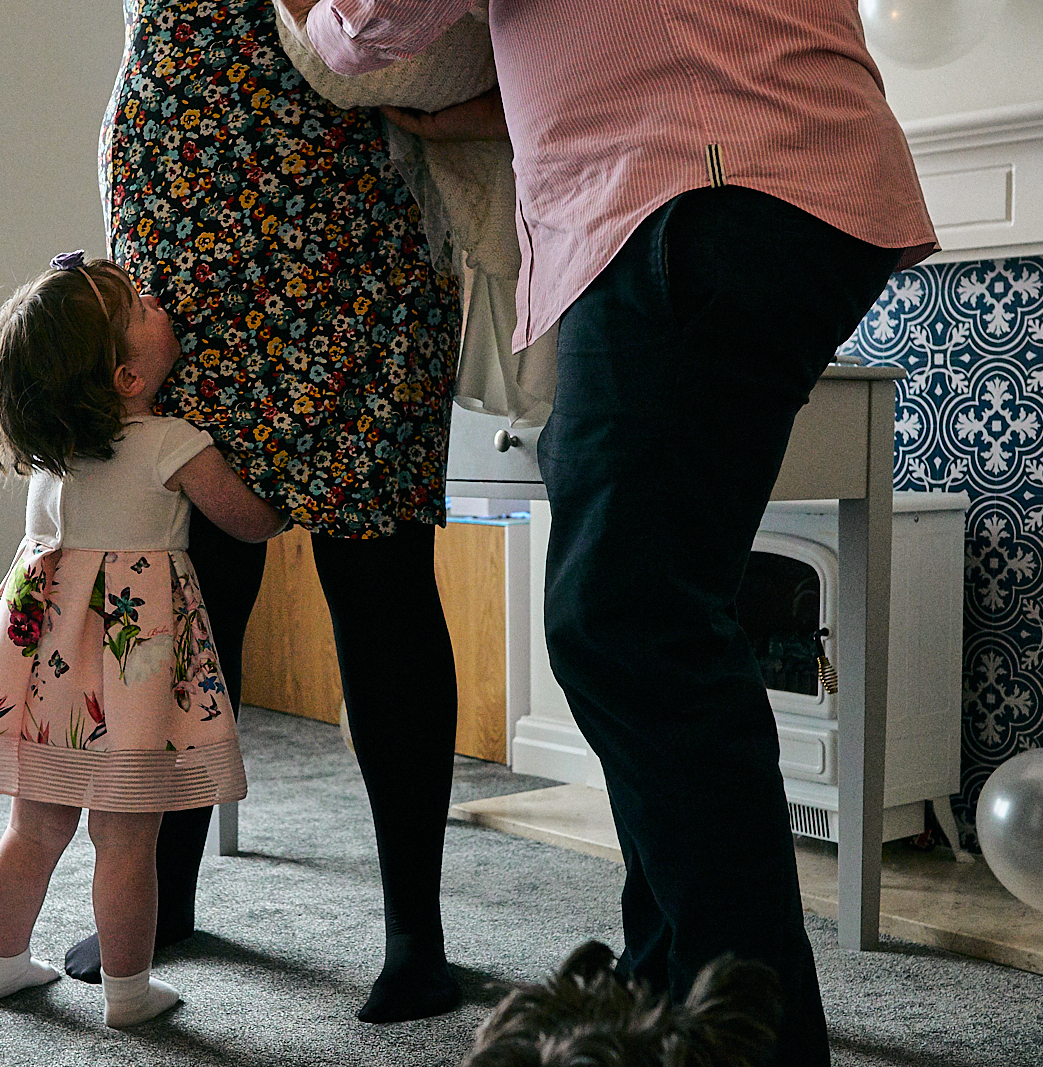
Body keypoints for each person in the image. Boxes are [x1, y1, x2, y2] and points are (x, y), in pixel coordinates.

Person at [283, 1, 937, 1064]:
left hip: (698, 179)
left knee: (620, 621)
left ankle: (750, 1036)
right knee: (658, 618)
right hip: (760, 171)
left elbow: (364, 24)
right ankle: (669, 1001)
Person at [62, 0, 468, 1025]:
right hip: (181, 287)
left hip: (346, 256)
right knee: (186, 601)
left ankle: (416, 934)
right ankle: (168, 891)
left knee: (380, 589)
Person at [0, 252, 285, 1028]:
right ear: (128, 380)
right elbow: (249, 519)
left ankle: (1, 964)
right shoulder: (170, 442)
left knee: (32, 827)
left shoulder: (50, 457)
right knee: (126, 839)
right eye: (141, 305)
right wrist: (290, 498)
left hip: (42, 672)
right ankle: (129, 993)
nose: (157, 300)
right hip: (130, 674)